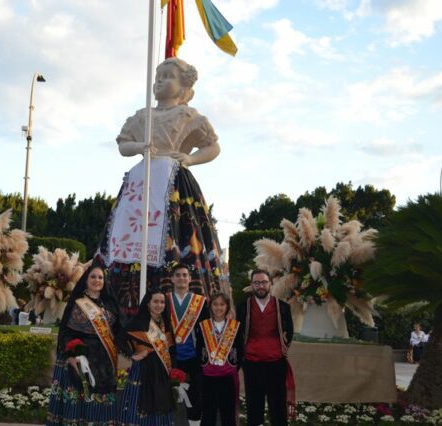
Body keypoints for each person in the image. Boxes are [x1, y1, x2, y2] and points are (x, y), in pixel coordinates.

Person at [95, 57, 226, 319]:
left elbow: (213, 147)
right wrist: (139, 148)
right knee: (127, 232)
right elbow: (123, 144)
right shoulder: (142, 116)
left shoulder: (190, 116)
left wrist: (190, 159)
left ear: (183, 85)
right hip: (140, 182)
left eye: (168, 76)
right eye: (158, 76)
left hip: (175, 183)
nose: (160, 81)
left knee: (176, 239)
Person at [46, 265, 122, 425]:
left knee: (101, 405)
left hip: (103, 361)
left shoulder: (110, 303)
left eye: (100, 277)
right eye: (93, 277)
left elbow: (121, 330)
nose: (97, 280)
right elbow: (66, 332)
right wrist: (72, 355)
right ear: (86, 280)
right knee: (79, 402)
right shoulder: (77, 303)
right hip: (80, 359)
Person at [236, 269, 294, 426]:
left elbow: (290, 332)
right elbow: (237, 334)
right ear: (251, 285)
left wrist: (281, 347)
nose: (260, 286)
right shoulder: (242, 307)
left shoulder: (283, 307)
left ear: (270, 284)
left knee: (278, 406)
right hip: (251, 363)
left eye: (263, 282)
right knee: (254, 405)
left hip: (276, 362)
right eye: (256, 282)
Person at [118, 287, 175, 425]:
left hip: (162, 371)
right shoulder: (138, 321)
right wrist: (132, 355)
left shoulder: (166, 323)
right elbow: (120, 339)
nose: (159, 305)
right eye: (155, 301)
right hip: (143, 371)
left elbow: (172, 348)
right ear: (148, 303)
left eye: (162, 302)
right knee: (140, 404)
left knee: (161, 404)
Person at [166, 264, 208, 426]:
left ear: (190, 279)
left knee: (195, 397)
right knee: (169, 398)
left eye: (185, 275)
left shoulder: (200, 302)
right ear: (172, 279)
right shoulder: (165, 300)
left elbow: (205, 330)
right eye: (178, 275)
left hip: (193, 359)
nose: (181, 278)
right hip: (170, 358)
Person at [195, 292, 241, 426]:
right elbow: (198, 350)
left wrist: (232, 368)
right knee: (208, 414)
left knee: (228, 415)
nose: (218, 307)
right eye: (215, 304)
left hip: (228, 377)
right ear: (210, 306)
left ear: (227, 306)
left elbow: (240, 351)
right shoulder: (203, 326)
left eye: (222, 304)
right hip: (208, 377)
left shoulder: (235, 326)